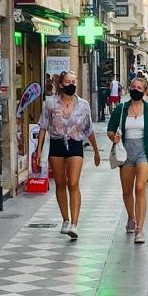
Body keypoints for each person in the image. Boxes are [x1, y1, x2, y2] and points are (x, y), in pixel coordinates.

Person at [36, 71, 101, 239]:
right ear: (61, 84)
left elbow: (89, 128)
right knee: (60, 183)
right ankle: (65, 219)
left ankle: (75, 224)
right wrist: (39, 150)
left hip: (75, 144)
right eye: (68, 81)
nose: (72, 84)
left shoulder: (83, 105)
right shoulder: (51, 104)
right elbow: (43, 126)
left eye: (74, 81)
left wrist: (95, 150)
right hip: (57, 144)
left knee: (73, 183)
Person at [107, 77, 148, 244]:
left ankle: (140, 229)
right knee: (127, 191)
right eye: (134, 87)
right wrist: (114, 137)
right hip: (125, 152)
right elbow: (110, 129)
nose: (136, 90)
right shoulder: (121, 108)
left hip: (144, 151)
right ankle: (131, 218)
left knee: (140, 187)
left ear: (145, 90)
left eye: (140, 88)